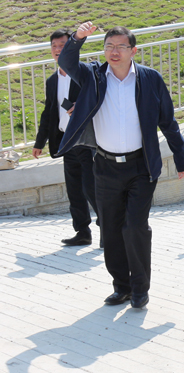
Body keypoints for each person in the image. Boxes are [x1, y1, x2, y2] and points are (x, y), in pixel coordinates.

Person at [57, 21, 184, 309]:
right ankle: (122, 286)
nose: (114, 52)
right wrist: (77, 37)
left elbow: (167, 120)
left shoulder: (150, 78)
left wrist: (180, 157)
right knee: (112, 230)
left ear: (133, 50)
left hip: (141, 166)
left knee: (135, 227)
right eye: (109, 46)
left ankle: (140, 288)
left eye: (121, 47)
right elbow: (66, 61)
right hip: (105, 167)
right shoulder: (93, 76)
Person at [33, 28, 100, 247]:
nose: (57, 49)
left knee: (91, 187)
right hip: (66, 141)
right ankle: (82, 232)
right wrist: (40, 142)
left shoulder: (84, 74)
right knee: (74, 190)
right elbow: (49, 112)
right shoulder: (52, 80)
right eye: (54, 46)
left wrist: (80, 106)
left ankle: (108, 229)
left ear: (72, 48)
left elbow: (98, 100)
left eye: (62, 45)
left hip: (86, 140)